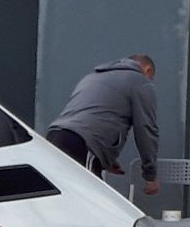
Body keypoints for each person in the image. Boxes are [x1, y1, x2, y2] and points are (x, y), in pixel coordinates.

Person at [46, 54, 161, 195]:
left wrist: (105, 158)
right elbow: (146, 129)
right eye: (152, 77)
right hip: (83, 143)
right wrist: (150, 175)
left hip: (55, 136)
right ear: (148, 70)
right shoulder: (140, 81)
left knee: (65, 197)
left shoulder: (93, 76)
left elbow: (94, 114)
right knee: (91, 200)